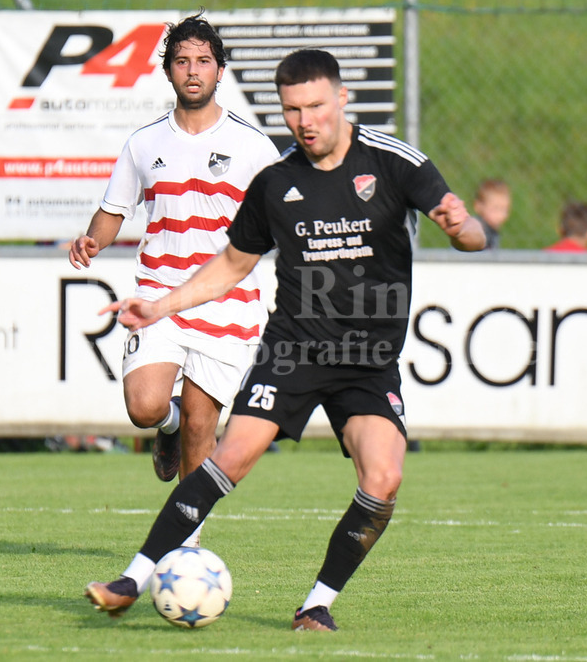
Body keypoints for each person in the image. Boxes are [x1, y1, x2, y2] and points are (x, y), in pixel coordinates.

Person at [83, 49, 484, 631]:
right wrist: (160, 306)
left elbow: (471, 234)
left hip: (369, 360)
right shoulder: (276, 182)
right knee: (230, 457)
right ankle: (132, 579)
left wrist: (462, 227)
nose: (305, 121)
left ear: (341, 99)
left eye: (316, 106)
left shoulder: (394, 162)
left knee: (384, 479)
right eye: (293, 110)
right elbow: (231, 264)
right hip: (293, 350)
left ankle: (316, 603)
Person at [68, 13, 279, 526]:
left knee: (201, 431)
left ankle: (188, 548)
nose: (192, 70)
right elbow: (114, 210)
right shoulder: (144, 144)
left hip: (226, 304)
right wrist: (93, 239)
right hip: (159, 295)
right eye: (182, 61)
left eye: (203, 61)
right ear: (168, 72)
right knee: (144, 407)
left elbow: (282, 216)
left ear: (220, 71)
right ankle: (166, 426)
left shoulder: (254, 147)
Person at [470, 178, 511, 250]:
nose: (500, 216)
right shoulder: (475, 229)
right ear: (478, 205)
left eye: (504, 209)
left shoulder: (492, 229)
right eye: (495, 209)